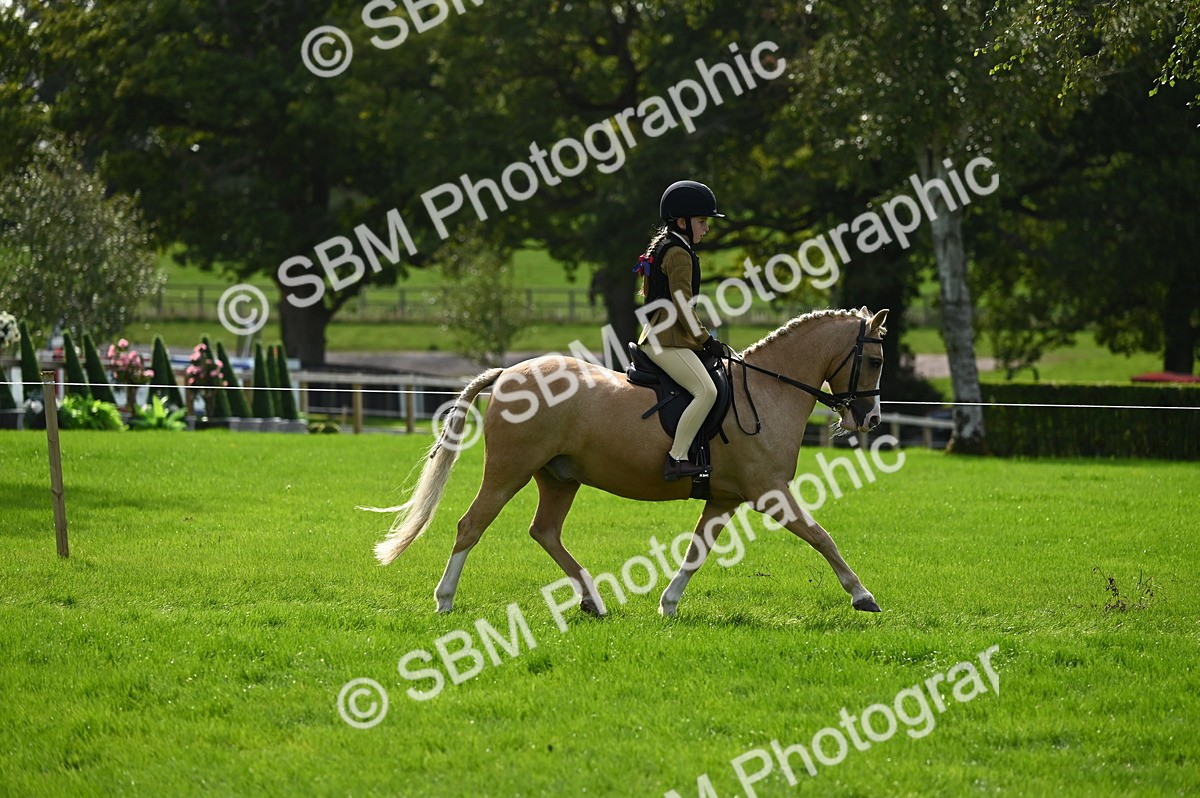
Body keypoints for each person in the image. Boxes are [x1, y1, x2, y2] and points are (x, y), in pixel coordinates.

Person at [634, 180, 726, 481]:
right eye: (702, 221)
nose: (706, 228)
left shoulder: (669, 245)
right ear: (682, 221)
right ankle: (677, 457)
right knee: (706, 391)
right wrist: (705, 339)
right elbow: (683, 304)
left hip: (667, 335)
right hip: (666, 340)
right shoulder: (678, 253)